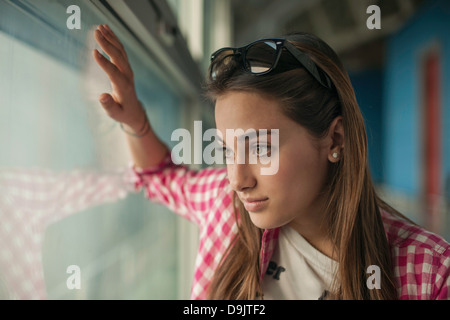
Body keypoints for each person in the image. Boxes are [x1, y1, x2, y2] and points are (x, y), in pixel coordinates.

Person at [92, 24, 449, 300]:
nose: (237, 179)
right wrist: (136, 122)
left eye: (261, 149)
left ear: (334, 139)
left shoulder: (430, 273)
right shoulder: (225, 206)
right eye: (228, 150)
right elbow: (161, 177)